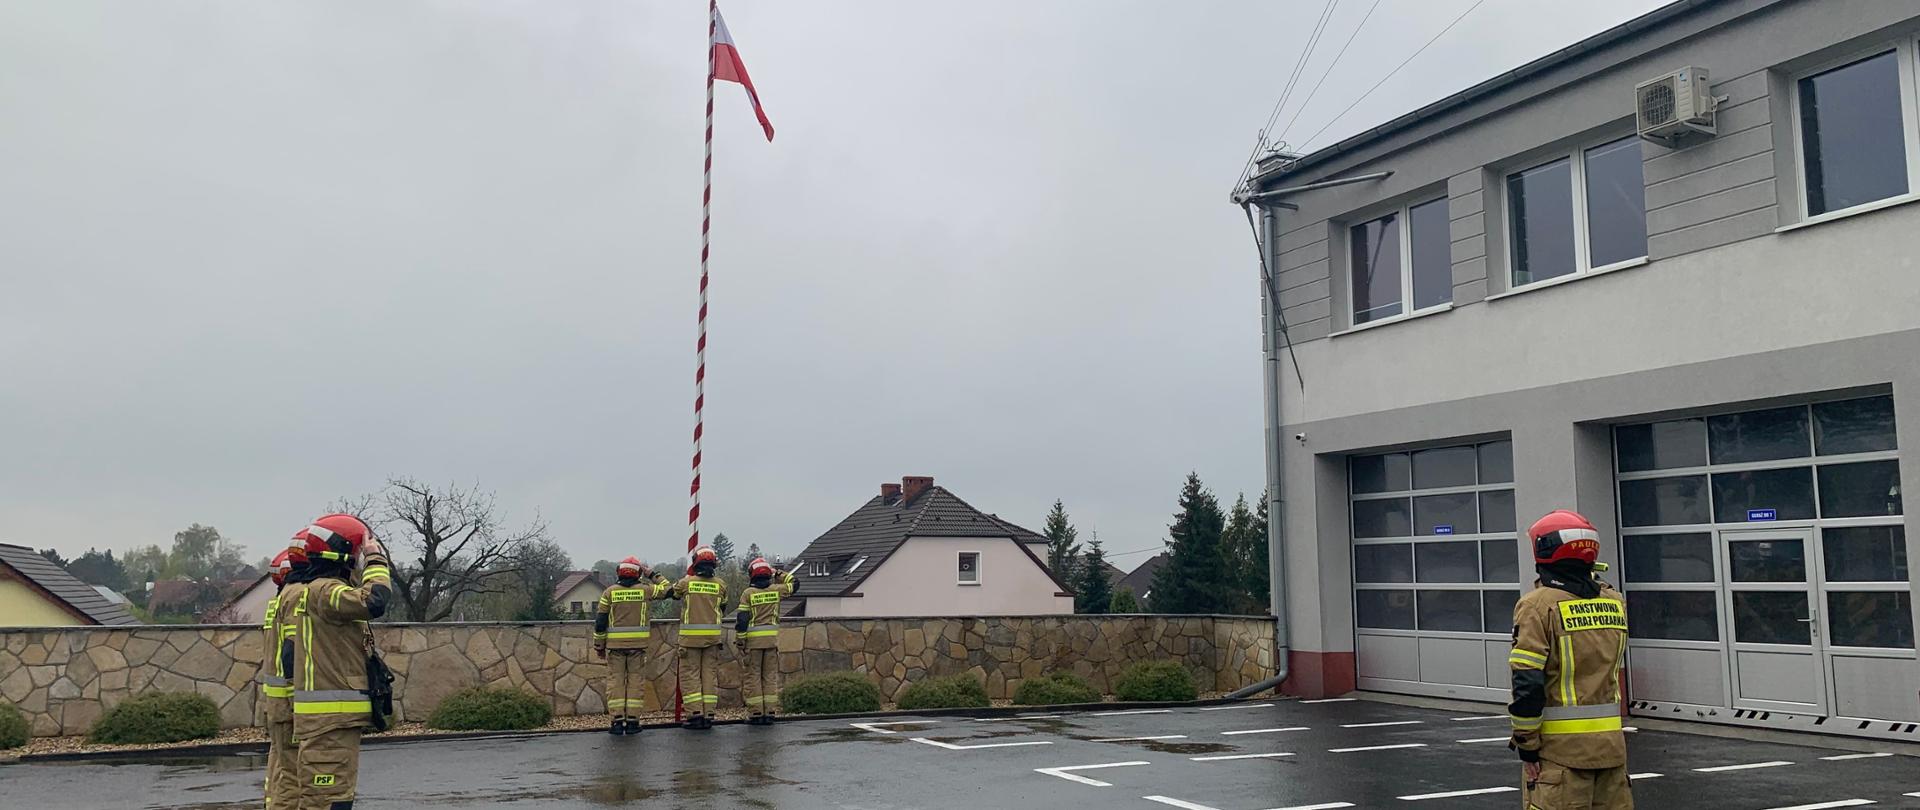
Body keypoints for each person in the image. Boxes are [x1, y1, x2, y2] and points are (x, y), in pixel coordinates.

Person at [1509, 509, 1632, 810]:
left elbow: (1527, 682)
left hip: (1559, 757)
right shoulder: (1614, 602)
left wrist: (1527, 746)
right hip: (1612, 752)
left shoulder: (1536, 606)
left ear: (1544, 550)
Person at [286, 514, 392, 810]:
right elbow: (375, 601)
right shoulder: (327, 592)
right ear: (343, 556)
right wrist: (376, 561)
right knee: (328, 803)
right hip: (329, 725)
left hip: (330, 724)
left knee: (334, 800)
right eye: (357, 556)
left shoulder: (321, 592)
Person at [593, 556, 671, 735]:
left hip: (615, 648)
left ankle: (617, 722)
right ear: (638, 573)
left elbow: (600, 622)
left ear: (619, 571)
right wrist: (652, 574)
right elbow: (669, 589)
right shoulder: (645, 590)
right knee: (636, 682)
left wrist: (599, 646)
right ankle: (633, 722)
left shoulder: (609, 593)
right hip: (638, 647)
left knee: (616, 682)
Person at [671, 546, 728, 729]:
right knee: (709, 676)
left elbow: (672, 593)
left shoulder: (686, 583)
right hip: (712, 639)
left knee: (691, 677)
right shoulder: (721, 585)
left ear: (695, 563)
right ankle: (709, 713)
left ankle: (695, 714)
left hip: (690, 640)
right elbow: (723, 608)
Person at [733, 557, 794, 725]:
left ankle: (756, 713)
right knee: (769, 677)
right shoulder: (776, 590)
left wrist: (740, 640)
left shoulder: (748, 593)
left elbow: (743, 619)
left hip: (753, 644)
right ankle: (770, 712)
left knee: (753, 677)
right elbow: (794, 583)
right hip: (771, 642)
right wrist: (778, 573)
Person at [260, 549, 298, 808]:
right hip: (289, 704)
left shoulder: (276, 603)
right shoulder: (294, 602)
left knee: (279, 768)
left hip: (277, 703)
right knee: (293, 778)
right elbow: (292, 654)